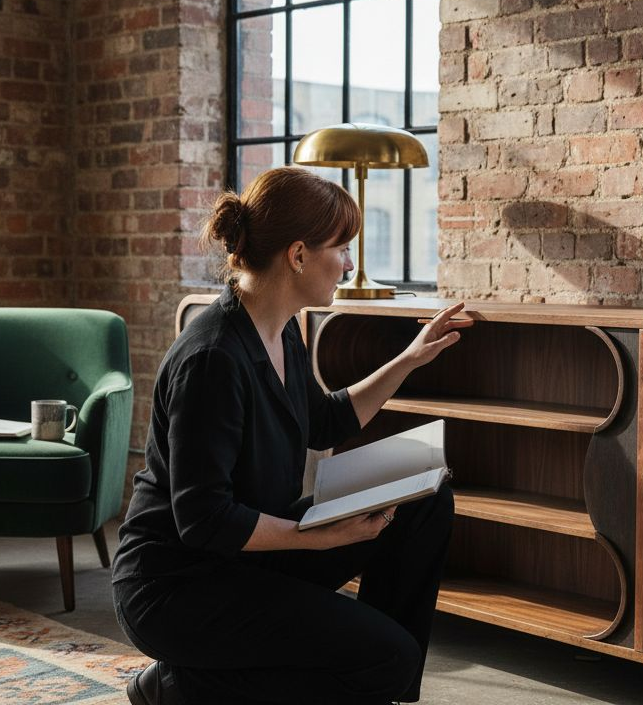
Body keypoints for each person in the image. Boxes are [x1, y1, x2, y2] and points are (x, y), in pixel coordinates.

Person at [112, 165, 472, 705]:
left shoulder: (280, 330)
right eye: (342, 248)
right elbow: (204, 520)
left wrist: (410, 359)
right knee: (388, 659)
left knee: (426, 499)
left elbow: (323, 422)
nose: (349, 264)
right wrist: (319, 536)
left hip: (251, 551)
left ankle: (376, 674)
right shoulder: (213, 359)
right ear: (298, 255)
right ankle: (178, 687)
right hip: (178, 586)